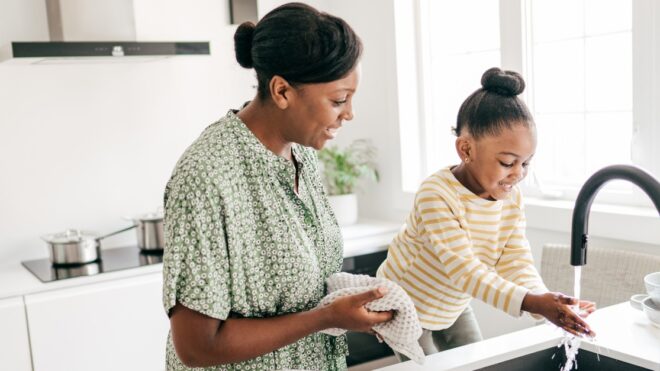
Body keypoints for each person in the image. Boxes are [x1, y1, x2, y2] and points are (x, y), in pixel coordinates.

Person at [161, 3, 392, 370]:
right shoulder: (208, 176)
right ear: (282, 91)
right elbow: (197, 347)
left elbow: (306, 288)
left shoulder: (303, 154)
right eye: (338, 100)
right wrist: (328, 317)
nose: (350, 114)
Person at [377, 67, 596, 360]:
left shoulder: (511, 198)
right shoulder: (437, 194)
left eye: (526, 163)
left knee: (479, 363)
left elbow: (515, 259)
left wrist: (546, 301)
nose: (518, 174)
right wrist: (533, 302)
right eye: (508, 162)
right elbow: (465, 271)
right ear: (466, 149)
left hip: (452, 302)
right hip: (406, 305)